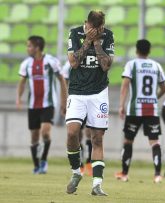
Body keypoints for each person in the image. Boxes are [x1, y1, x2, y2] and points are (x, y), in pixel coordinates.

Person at [65, 10, 114, 196]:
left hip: (99, 92)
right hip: (77, 91)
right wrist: (87, 41)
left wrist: (97, 43)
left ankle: (97, 184)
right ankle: (76, 172)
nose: (98, 30)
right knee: (72, 133)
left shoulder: (108, 35)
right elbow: (74, 63)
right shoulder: (75, 33)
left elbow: (106, 66)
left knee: (97, 138)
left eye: (100, 27)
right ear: (86, 23)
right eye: (95, 27)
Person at [115, 39, 165, 183]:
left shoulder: (131, 65)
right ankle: (157, 175)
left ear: (136, 50)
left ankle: (124, 174)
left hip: (134, 110)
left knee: (128, 141)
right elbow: (164, 89)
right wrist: (154, 98)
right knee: (155, 142)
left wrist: (121, 105)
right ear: (149, 51)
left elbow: (125, 86)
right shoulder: (156, 66)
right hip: (151, 109)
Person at [16, 35, 67, 174]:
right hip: (33, 105)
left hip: (48, 104)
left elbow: (62, 79)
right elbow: (22, 82)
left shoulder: (51, 61)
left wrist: (64, 101)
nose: (27, 48)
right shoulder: (26, 64)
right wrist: (19, 98)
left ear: (37, 47)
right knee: (34, 136)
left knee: (45, 132)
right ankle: (36, 165)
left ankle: (44, 160)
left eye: (29, 46)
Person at [62, 61, 92, 176]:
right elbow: (64, 82)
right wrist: (65, 101)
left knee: (91, 132)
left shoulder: (92, 60)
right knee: (76, 134)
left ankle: (90, 162)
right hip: (76, 102)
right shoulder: (68, 65)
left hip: (91, 100)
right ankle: (80, 164)